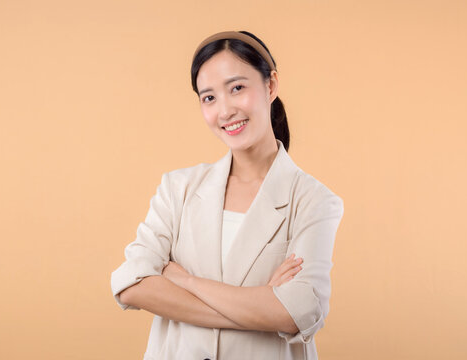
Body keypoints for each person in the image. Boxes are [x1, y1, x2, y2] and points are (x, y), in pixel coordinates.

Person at [110, 30, 344, 360]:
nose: (225, 111)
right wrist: (261, 301)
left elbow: (300, 312)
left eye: (237, 88)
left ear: (271, 85)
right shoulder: (178, 188)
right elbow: (130, 283)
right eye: (209, 98)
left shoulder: (314, 201)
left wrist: (187, 281)